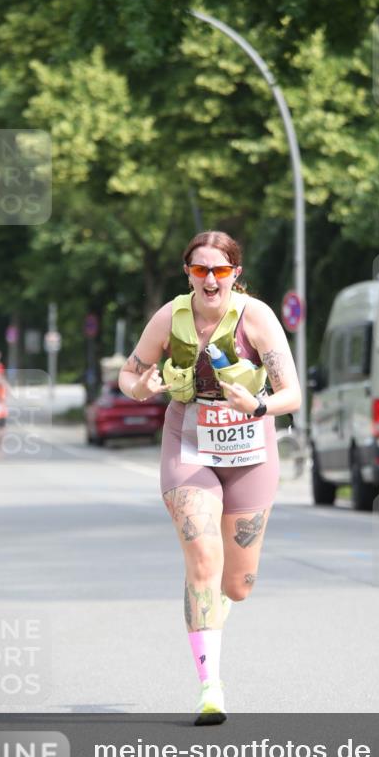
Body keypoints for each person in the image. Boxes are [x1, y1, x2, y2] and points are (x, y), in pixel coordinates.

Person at [119, 231, 301, 725]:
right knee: (202, 555)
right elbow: (128, 373)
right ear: (189, 274)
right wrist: (141, 386)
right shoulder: (170, 317)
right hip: (189, 442)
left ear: (234, 274)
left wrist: (257, 403)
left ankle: (215, 600)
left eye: (220, 270)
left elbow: (293, 394)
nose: (210, 279)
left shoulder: (256, 317)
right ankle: (210, 688)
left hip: (250, 448)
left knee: (237, 584)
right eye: (201, 270)